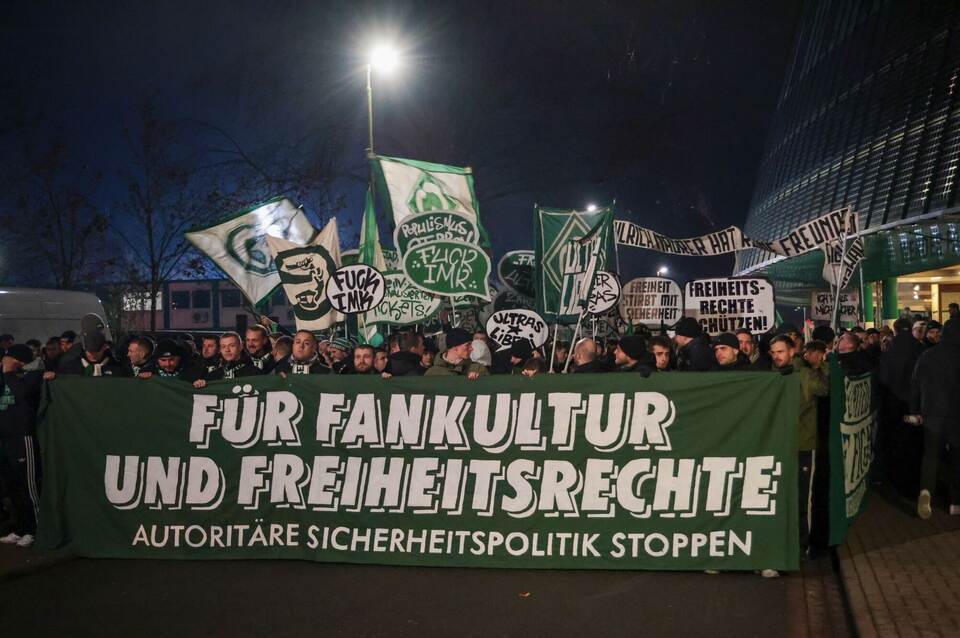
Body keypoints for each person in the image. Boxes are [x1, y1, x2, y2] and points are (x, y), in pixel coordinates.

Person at [769, 334, 828, 559]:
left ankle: (803, 545)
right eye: (773, 352)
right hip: (780, 445)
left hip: (803, 444)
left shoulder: (803, 373)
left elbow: (824, 389)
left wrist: (819, 364)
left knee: (803, 498)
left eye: (780, 351)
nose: (776, 356)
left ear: (792, 351)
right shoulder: (771, 375)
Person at [0, 345, 53, 548]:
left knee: (28, 487)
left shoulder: (34, 376)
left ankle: (36, 529)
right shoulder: (6, 375)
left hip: (23, 438)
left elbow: (22, 394)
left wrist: (9, 373)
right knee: (12, 487)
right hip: (5, 438)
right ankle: (20, 527)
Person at [911, 319, 960, 518]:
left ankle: (926, 492)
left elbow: (915, 384)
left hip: (931, 413)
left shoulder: (927, 356)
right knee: (957, 458)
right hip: (957, 415)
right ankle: (955, 503)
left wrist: (915, 410)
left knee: (931, 456)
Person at [878, 317, 926, 496]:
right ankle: (916, 482)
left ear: (895, 330)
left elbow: (884, 378)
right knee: (915, 443)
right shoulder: (921, 348)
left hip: (895, 405)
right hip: (918, 404)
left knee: (898, 442)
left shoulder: (890, 350)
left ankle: (898, 481)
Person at [57, 332, 125, 377]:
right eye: (89, 350)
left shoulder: (116, 367)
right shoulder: (71, 367)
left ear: (104, 347)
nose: (92, 354)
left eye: (96, 350)